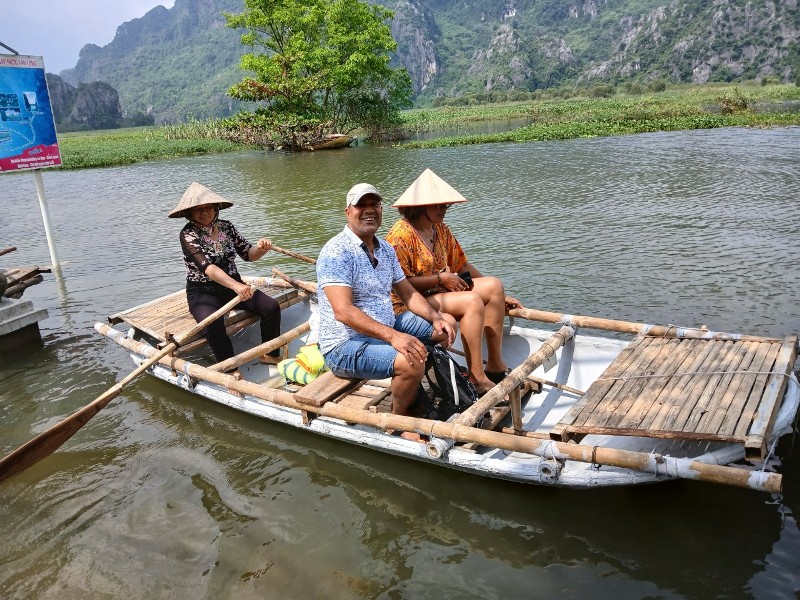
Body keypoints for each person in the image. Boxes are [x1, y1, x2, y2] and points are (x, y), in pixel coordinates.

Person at [316, 182, 456, 430]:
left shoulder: (386, 249)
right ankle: (397, 420)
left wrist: (436, 317)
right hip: (344, 345)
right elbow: (343, 312)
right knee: (409, 361)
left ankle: (417, 386)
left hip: (385, 325)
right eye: (362, 205)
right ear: (348, 212)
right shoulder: (336, 252)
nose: (369, 210)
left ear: (381, 210)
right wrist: (394, 337)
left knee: (446, 326)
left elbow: (407, 292)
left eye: (374, 205)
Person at [386, 168, 522, 395]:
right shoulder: (401, 234)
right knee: (471, 301)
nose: (444, 210)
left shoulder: (440, 230)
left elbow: (461, 264)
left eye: (446, 206)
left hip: (439, 291)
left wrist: (501, 297)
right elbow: (400, 283)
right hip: (409, 301)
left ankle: (496, 366)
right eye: (439, 206)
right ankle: (477, 377)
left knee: (493, 286)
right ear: (420, 207)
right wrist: (440, 278)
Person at [168, 182, 281, 369]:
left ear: (216, 208)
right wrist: (236, 286)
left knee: (271, 307)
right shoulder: (188, 234)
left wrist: (261, 249)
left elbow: (248, 254)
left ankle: (269, 353)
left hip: (233, 286)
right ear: (189, 213)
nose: (204, 213)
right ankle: (230, 369)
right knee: (212, 324)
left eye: (208, 208)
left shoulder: (227, 227)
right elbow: (208, 268)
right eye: (198, 210)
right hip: (203, 292)